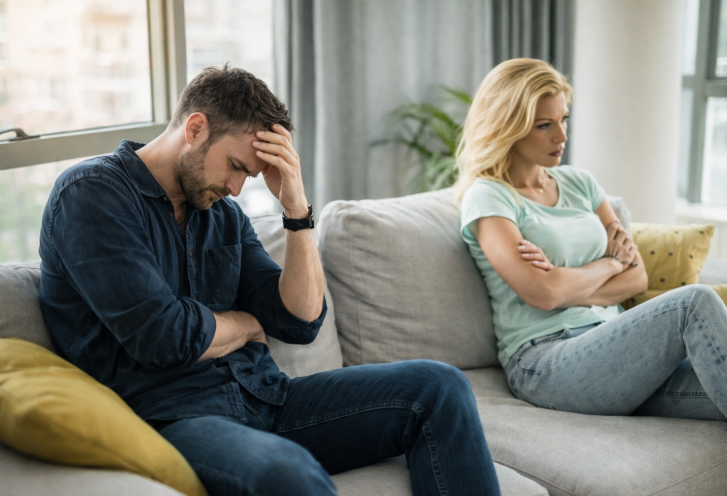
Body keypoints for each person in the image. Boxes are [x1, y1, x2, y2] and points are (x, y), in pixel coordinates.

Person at [38, 65, 500, 496]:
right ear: (195, 128)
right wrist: (243, 324)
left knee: (439, 386)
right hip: (173, 415)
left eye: (251, 176)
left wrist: (297, 213)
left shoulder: (222, 214)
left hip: (267, 399)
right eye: (237, 166)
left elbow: (299, 322)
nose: (238, 188)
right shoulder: (92, 194)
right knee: (286, 473)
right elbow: (162, 337)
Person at [456, 58, 727, 437]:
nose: (561, 136)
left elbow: (637, 278)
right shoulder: (489, 196)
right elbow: (543, 294)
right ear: (507, 127)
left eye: (564, 119)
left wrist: (566, 284)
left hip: (618, 348)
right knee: (693, 302)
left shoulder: (580, 184)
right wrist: (609, 265)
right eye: (544, 125)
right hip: (547, 360)